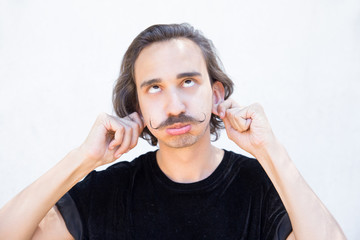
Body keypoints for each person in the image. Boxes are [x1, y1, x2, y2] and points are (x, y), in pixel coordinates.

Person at [0, 23, 345, 240]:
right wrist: (82, 159)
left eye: (188, 81)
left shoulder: (264, 188)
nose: (174, 105)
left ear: (216, 94)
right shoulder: (107, 193)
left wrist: (270, 151)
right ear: (137, 107)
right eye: (154, 88)